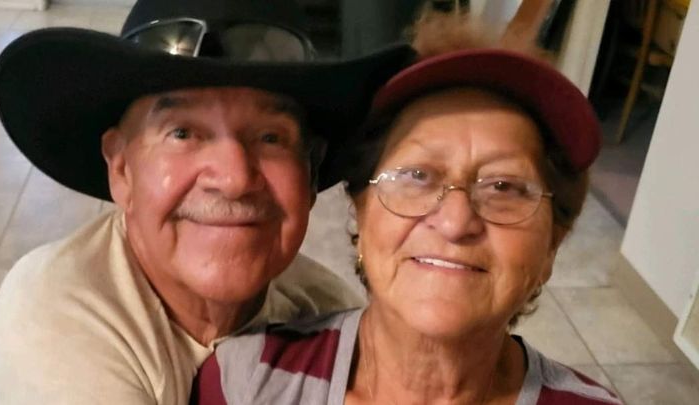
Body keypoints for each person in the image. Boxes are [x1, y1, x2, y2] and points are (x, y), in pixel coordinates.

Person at [0, 0, 413, 403]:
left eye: (270, 137)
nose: (235, 179)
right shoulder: (51, 323)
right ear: (122, 169)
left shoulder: (323, 309)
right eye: (183, 133)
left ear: (310, 171)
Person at [190, 8, 623, 405]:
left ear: (551, 245)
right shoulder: (245, 382)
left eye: (503, 187)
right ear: (361, 212)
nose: (455, 222)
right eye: (417, 176)